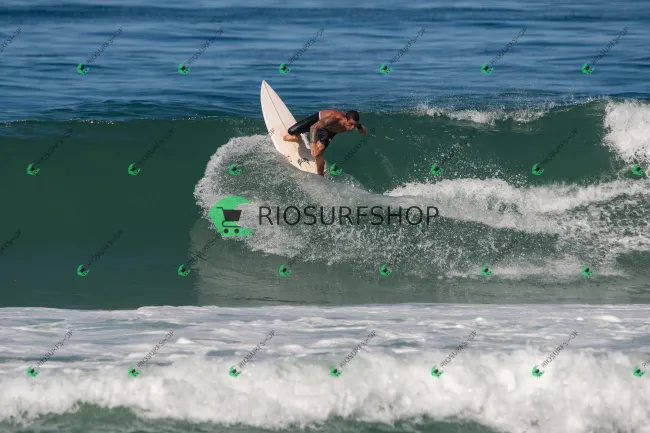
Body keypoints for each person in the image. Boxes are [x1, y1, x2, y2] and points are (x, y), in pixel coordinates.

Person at [283, 110, 366, 176]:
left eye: (354, 125)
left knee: (318, 152)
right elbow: (313, 127)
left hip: (330, 131)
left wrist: (360, 128)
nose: (352, 128)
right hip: (318, 121)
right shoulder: (333, 119)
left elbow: (356, 123)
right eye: (351, 124)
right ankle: (297, 137)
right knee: (291, 132)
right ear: (345, 119)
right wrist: (313, 144)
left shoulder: (353, 122)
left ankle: (320, 176)